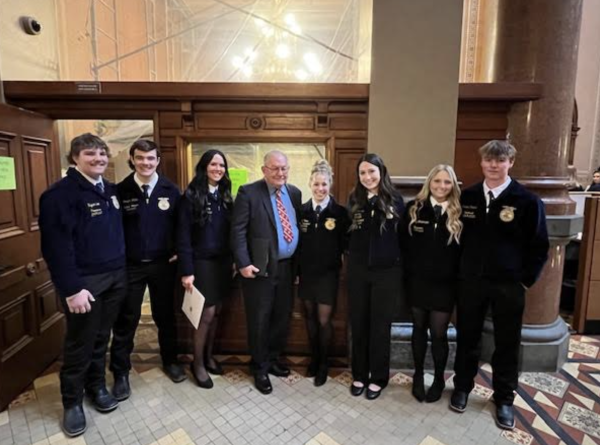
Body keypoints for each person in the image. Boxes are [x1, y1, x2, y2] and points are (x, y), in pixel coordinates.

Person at [450, 140, 549, 430]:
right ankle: (462, 387)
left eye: (500, 161)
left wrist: (524, 281)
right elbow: (456, 239)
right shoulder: (467, 197)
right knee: (467, 337)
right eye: (489, 161)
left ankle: (504, 397)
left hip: (508, 285)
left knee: (507, 343)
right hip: (471, 283)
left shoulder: (527, 201)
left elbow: (539, 245)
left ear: (510, 163)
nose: (494, 165)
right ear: (482, 163)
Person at [39, 133, 126, 437]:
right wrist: (72, 289)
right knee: (80, 344)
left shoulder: (109, 190)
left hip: (115, 278)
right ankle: (72, 402)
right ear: (74, 158)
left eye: (102, 153)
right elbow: (56, 247)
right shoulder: (59, 195)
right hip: (84, 286)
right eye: (91, 154)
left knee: (102, 338)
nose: (99, 159)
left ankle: (97, 386)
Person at [110, 140, 186, 401]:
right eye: (140, 158)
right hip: (131, 267)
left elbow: (181, 227)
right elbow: (113, 230)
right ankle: (120, 372)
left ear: (158, 160)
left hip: (163, 265)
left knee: (165, 316)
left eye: (151, 158)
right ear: (132, 159)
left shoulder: (171, 191)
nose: (146, 163)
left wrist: (177, 249)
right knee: (127, 320)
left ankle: (170, 361)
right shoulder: (120, 190)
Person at [231, 150, 302, 395]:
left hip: (286, 267)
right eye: (275, 168)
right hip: (258, 271)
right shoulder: (248, 193)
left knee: (281, 317)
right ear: (264, 170)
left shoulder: (294, 193)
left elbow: (294, 226)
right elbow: (237, 231)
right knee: (259, 320)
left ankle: (272, 359)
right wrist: (243, 263)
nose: (280, 173)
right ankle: (259, 367)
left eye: (284, 168)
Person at [346, 153, 404, 400]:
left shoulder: (395, 200)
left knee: (380, 327)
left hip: (387, 274)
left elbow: (402, 238)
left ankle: (378, 378)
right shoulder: (355, 200)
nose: (367, 177)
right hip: (358, 272)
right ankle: (359, 374)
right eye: (362, 173)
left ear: (381, 172)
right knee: (359, 324)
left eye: (372, 171)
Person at [402, 165, 462, 403]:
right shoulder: (414, 209)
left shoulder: (460, 212)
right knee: (418, 329)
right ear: (429, 183)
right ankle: (418, 375)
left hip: (445, 286)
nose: (441, 186)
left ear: (453, 185)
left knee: (438, 334)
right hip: (417, 283)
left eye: (447, 182)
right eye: (437, 181)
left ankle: (438, 378)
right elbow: (404, 247)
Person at [178, 150, 233, 388]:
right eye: (213, 164)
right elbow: (183, 237)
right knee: (204, 315)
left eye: (222, 165)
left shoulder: (225, 195)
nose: (218, 169)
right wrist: (187, 271)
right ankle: (197, 363)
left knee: (217, 311)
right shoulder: (190, 196)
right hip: (200, 264)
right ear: (204, 167)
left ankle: (209, 357)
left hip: (222, 264)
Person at [297, 159, 350, 386]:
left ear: (330, 184)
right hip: (306, 274)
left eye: (324, 184)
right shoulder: (302, 211)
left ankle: (324, 364)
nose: (320, 189)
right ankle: (314, 358)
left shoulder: (339, 213)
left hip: (328, 276)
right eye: (317, 184)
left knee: (324, 320)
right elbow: (297, 245)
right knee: (309, 318)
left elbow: (345, 246)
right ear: (310, 183)